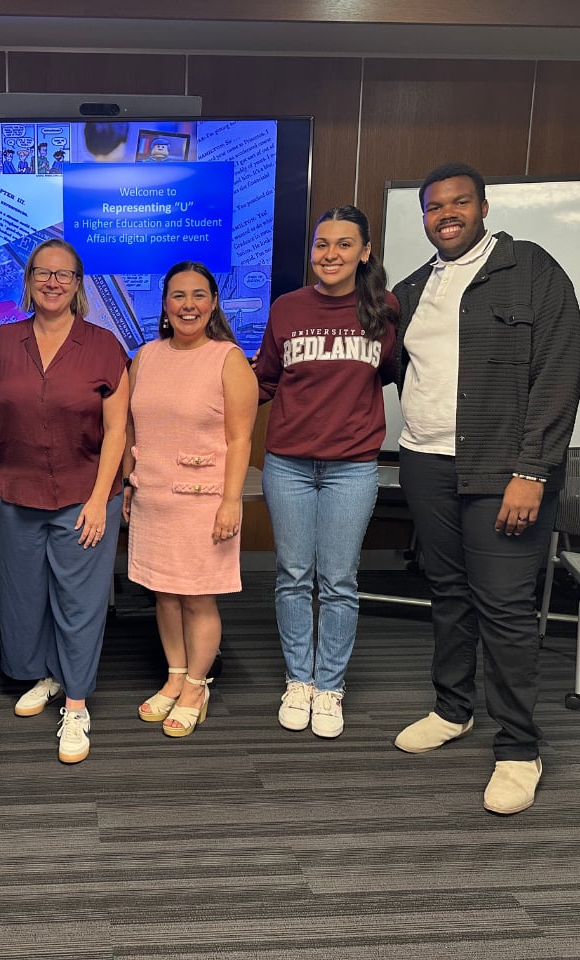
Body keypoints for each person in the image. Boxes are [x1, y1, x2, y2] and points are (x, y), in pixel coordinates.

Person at [392, 161, 580, 815]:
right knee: (448, 593)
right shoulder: (413, 287)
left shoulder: (532, 270)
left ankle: (520, 748)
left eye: (459, 202)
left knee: (504, 607)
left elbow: (560, 374)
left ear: (483, 207)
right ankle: (453, 709)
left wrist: (533, 471)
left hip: (505, 470)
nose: (446, 214)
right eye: (434, 206)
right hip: (426, 463)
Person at [0, 239, 128, 763]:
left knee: (79, 602)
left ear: (78, 284)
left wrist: (98, 500)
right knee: (27, 596)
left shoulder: (104, 345)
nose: (52, 282)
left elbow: (117, 432)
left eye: (64, 274)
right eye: (43, 272)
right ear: (28, 280)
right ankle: (49, 675)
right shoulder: (3, 340)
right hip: (17, 492)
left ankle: (77, 704)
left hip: (85, 494)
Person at [252, 206, 398, 739]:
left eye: (343, 244)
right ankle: (299, 680)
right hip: (288, 464)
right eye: (321, 244)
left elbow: (393, 374)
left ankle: (330, 686)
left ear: (365, 252)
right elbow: (265, 380)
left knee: (338, 580)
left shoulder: (384, 308)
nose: (330, 254)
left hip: (352, 468)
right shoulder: (287, 308)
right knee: (292, 575)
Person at [123, 262, 258, 737]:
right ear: (164, 304)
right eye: (178, 296)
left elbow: (240, 438)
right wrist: (129, 481)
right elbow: (133, 426)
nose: (188, 305)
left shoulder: (228, 359)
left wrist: (231, 501)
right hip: (153, 495)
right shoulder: (145, 356)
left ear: (214, 303)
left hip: (203, 501)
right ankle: (175, 677)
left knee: (197, 597)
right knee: (164, 593)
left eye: (199, 295)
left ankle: (197, 687)